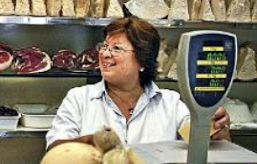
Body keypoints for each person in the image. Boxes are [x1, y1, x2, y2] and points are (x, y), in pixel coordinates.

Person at [46, 17, 231, 150]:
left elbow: (205, 145)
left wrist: (216, 128)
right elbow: (55, 150)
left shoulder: (170, 104)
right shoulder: (80, 98)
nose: (105, 54)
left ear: (143, 60)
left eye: (116, 48)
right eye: (104, 47)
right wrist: (91, 142)